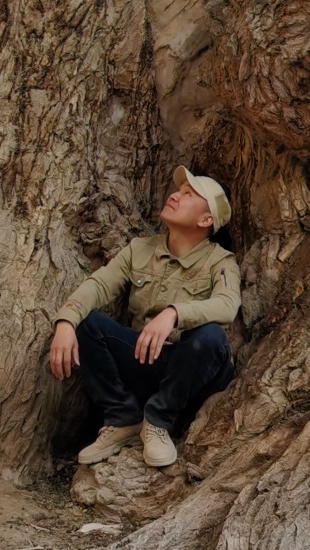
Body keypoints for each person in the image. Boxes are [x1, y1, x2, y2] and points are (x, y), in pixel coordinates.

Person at [49, 167, 240, 468]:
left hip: (192, 373)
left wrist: (175, 313)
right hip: (145, 360)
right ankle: (123, 417)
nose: (176, 196)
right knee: (89, 323)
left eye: (189, 195)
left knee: (210, 337)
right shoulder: (140, 250)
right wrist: (65, 322)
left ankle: (158, 422)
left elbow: (228, 305)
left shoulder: (220, 260)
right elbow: (99, 285)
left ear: (206, 220)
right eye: (178, 191)